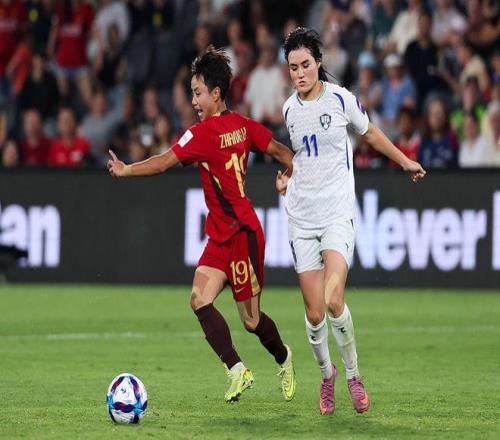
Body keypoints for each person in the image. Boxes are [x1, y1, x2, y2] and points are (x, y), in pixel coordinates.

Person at [107, 47, 297, 403]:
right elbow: (283, 153)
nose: (193, 101)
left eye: (197, 93)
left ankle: (284, 357)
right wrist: (288, 175)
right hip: (220, 236)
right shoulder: (243, 125)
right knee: (199, 300)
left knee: (251, 321)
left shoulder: (202, 134)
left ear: (216, 93)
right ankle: (237, 370)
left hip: (243, 235)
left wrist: (127, 169)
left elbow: (164, 162)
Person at [277, 28, 425, 416]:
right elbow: (299, 158)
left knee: (333, 299)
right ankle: (327, 376)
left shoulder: (340, 99)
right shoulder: (289, 110)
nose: (300, 74)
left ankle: (354, 375)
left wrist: (404, 161)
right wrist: (286, 178)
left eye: (305, 65)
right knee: (313, 314)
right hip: (300, 217)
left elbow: (370, 133)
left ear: (318, 62)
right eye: (293, 67)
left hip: (336, 214)